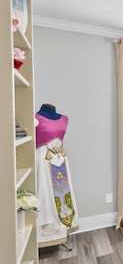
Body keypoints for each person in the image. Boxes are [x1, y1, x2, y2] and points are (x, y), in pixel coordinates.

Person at [35, 104, 79, 247]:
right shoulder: (35, 118)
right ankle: (46, 234)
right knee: (45, 193)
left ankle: (63, 227)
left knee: (63, 195)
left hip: (60, 160)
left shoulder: (64, 118)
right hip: (44, 161)